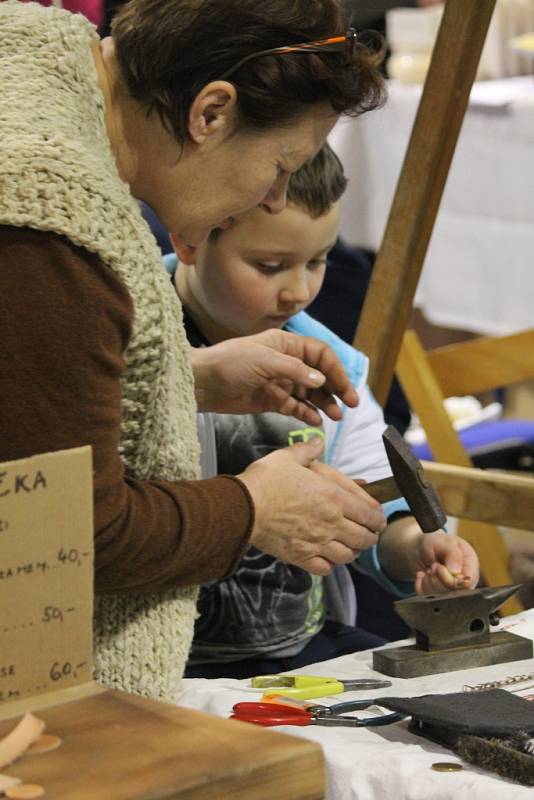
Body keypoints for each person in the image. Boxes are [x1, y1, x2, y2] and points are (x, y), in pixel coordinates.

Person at [0, 0, 391, 702]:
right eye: (279, 165)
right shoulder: (50, 224)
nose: (275, 199)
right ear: (210, 112)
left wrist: (186, 379)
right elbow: (66, 533)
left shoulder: (27, 81)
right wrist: (252, 508)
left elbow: (23, 388)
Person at [168, 144, 480, 678]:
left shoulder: (335, 371)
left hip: (298, 645)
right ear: (190, 238)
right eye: (269, 266)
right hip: (166, 657)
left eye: (317, 261)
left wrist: (418, 546)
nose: (299, 291)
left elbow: (378, 505)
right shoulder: (130, 336)